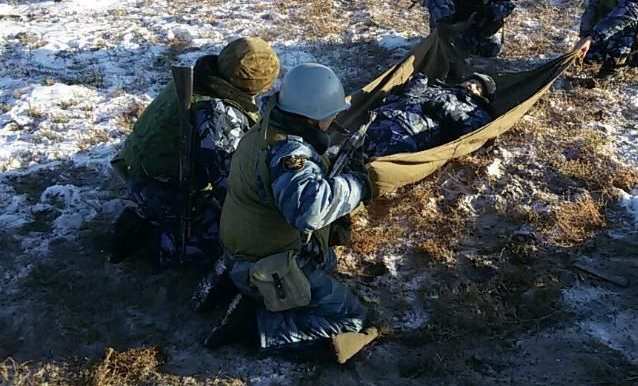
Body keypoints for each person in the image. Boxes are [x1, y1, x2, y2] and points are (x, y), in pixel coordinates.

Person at [205, 63, 376, 359]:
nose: (335, 119)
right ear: (313, 116)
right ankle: (257, 327)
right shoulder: (289, 153)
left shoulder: (265, 129)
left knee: (328, 260)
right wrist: (358, 185)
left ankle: (260, 296)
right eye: (330, 115)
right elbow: (309, 211)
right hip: (264, 267)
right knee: (354, 322)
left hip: (247, 252)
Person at [110, 37, 280, 267]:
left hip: (144, 167)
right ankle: (150, 237)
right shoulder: (217, 113)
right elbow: (231, 185)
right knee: (232, 246)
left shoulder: (199, 79)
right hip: (160, 186)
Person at [364, 72, 496, 158]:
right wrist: (413, 89)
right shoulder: (438, 88)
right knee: (349, 150)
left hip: (407, 134)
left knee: (366, 167)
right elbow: (403, 99)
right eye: (472, 81)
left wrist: (441, 108)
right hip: (382, 118)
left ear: (483, 97)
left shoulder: (477, 111)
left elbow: (470, 129)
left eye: (478, 87)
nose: (472, 85)